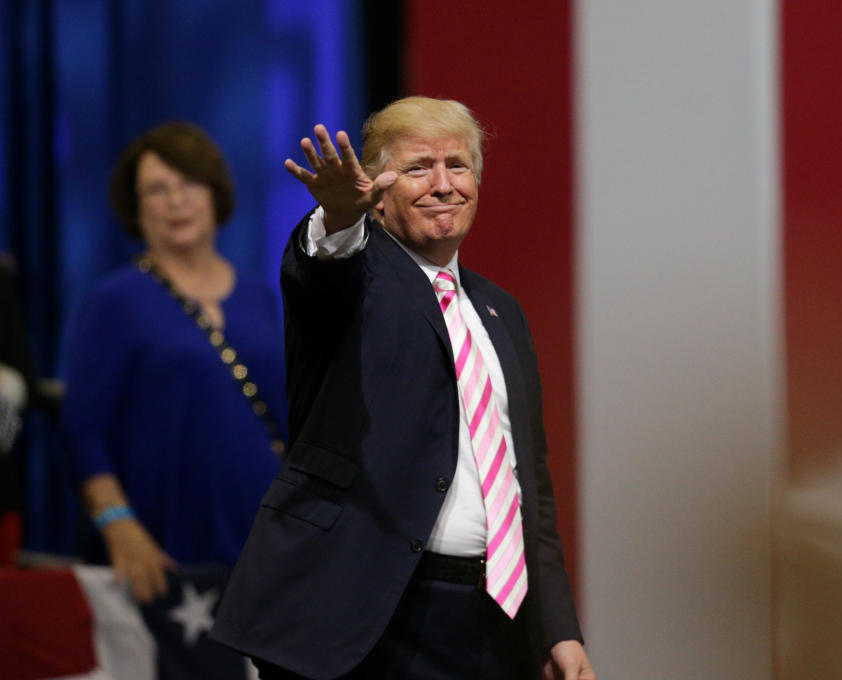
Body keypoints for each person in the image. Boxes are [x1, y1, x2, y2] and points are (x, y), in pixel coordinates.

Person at [212, 97, 595, 679]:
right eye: (418, 167)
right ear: (379, 188)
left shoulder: (500, 311)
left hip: (488, 623)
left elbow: (528, 487)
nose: (443, 184)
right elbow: (323, 270)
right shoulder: (355, 276)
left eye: (458, 165)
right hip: (362, 621)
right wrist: (338, 219)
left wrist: (557, 627)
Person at [61, 122, 287, 603]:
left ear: (214, 193)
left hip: (266, 551)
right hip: (162, 557)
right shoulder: (115, 301)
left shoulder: (260, 295)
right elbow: (84, 431)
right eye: (157, 190)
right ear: (136, 208)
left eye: (189, 183)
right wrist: (118, 525)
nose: (175, 201)